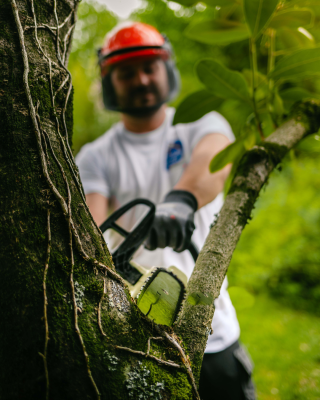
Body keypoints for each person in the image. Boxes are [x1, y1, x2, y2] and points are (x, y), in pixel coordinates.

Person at [76, 21, 255, 400]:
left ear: (166, 69)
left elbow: (214, 159)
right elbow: (90, 220)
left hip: (213, 331)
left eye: (148, 67)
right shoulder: (96, 156)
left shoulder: (199, 123)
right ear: (110, 82)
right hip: (139, 336)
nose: (141, 80)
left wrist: (181, 200)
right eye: (126, 73)